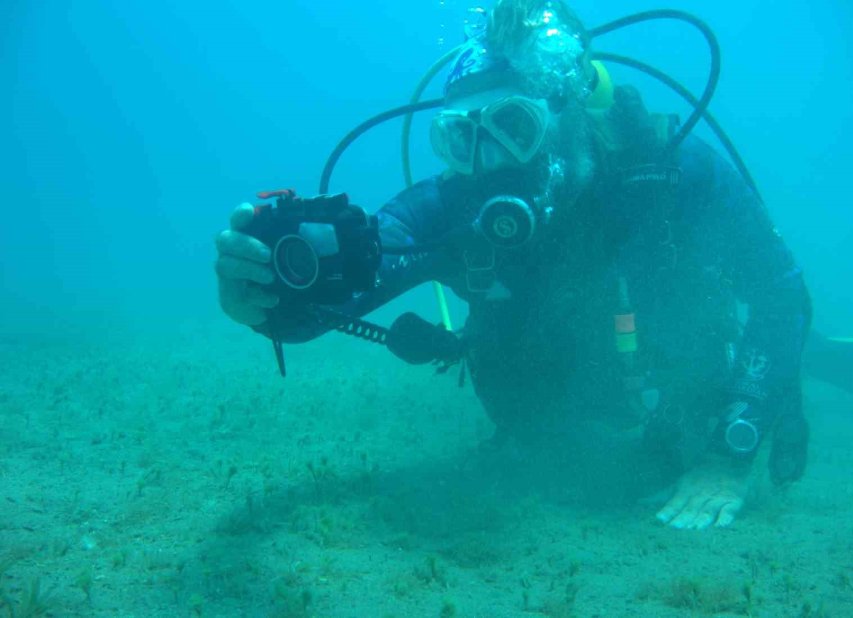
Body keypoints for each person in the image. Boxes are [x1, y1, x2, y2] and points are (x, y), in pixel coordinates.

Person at [215, 0, 811, 529]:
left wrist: (729, 454)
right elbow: (344, 285)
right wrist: (263, 298)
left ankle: (818, 357)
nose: (491, 162)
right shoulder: (446, 208)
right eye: (462, 138)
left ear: (568, 115)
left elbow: (781, 295)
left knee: (769, 352)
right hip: (549, 425)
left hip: (675, 398)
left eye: (514, 126)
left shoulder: (671, 175)